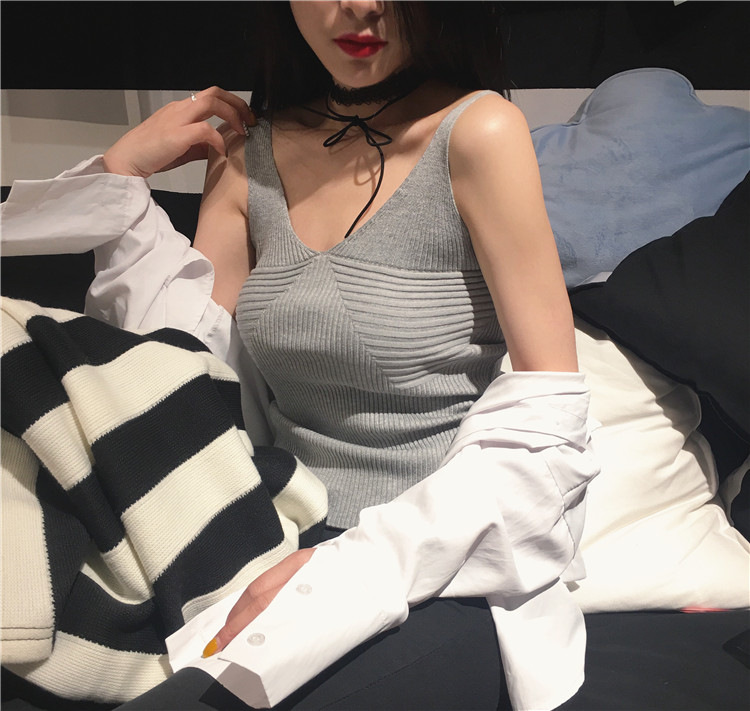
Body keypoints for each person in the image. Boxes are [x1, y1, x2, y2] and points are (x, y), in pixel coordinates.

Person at [3, 3, 598, 709]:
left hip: (437, 568)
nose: (361, 5)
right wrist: (120, 173)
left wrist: (349, 566)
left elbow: (550, 420)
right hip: (266, 536)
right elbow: (179, 369)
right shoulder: (252, 153)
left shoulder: (478, 131)